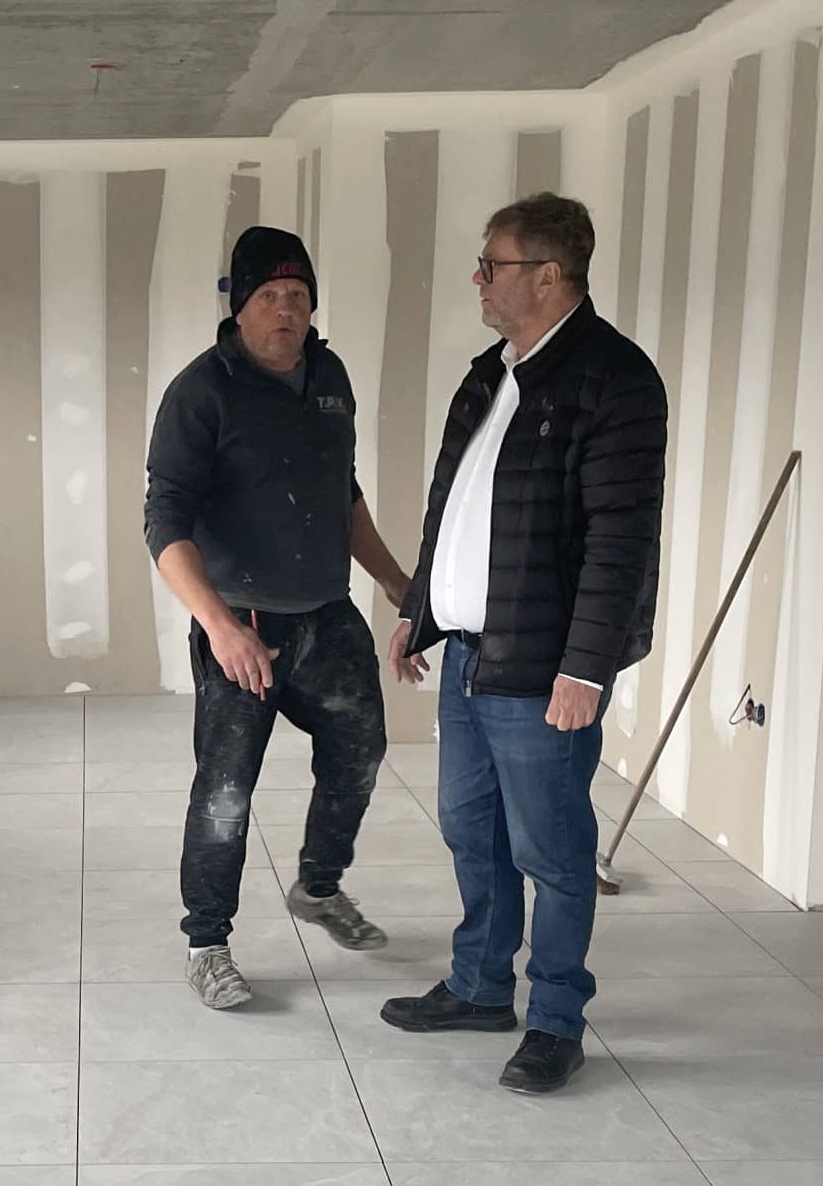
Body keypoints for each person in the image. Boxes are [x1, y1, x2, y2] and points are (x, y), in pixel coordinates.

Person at [383, 193, 667, 1093]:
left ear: (547, 275)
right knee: (471, 828)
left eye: (491, 265)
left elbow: (621, 540)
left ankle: (554, 1020)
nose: (477, 279)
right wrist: (420, 608)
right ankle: (478, 987)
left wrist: (586, 667)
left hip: (543, 666)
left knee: (550, 847)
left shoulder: (612, 380)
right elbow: (453, 506)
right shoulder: (490, 374)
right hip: (470, 653)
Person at [144, 226, 415, 1011]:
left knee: (359, 754)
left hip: (326, 616)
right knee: (225, 792)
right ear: (239, 305)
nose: (286, 310)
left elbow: (342, 492)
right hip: (245, 624)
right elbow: (164, 522)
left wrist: (395, 582)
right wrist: (220, 626)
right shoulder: (202, 391)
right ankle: (206, 944)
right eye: (269, 296)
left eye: (297, 296)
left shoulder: (328, 376)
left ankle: (318, 888)